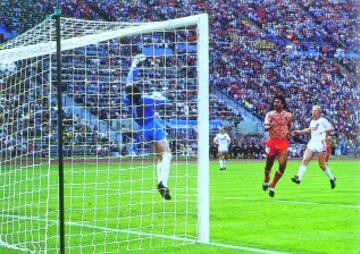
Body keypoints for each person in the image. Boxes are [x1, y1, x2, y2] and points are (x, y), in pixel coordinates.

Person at [124, 54, 172, 200]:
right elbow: (165, 101)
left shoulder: (127, 100)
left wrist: (133, 65)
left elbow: (128, 84)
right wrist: (157, 94)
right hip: (153, 125)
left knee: (159, 158)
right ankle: (163, 182)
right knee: (167, 155)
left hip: (143, 129)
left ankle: (160, 182)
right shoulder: (146, 99)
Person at [291, 105, 336, 189]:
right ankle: (298, 178)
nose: (313, 112)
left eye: (315, 110)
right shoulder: (312, 121)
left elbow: (332, 128)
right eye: (312, 110)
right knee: (305, 160)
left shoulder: (322, 120)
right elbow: (309, 130)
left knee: (322, 165)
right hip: (312, 142)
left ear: (319, 112)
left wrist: (324, 130)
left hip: (320, 144)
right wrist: (298, 131)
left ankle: (332, 178)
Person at [262, 95, 293, 197]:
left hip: (283, 142)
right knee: (268, 165)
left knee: (283, 165)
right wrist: (268, 126)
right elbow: (265, 127)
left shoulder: (288, 115)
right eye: (274, 102)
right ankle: (266, 178)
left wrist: (290, 133)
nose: (275, 104)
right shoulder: (269, 114)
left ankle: (273, 185)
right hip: (272, 141)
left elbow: (289, 126)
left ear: (282, 104)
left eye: (277, 102)